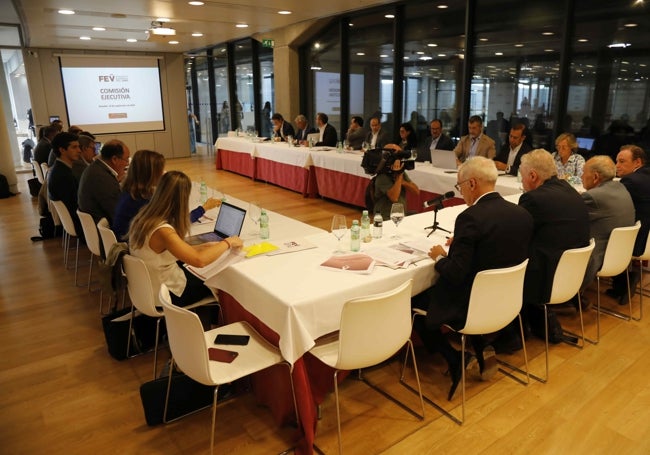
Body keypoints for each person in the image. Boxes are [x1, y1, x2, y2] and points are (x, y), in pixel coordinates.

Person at [411, 156, 533, 400]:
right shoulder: (521, 213)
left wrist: (439, 256)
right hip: (505, 301)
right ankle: (480, 346)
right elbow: (495, 248)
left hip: (471, 304)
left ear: (473, 184)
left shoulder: (470, 218)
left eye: (460, 186)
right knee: (469, 289)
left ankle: (455, 358)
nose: (461, 192)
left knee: (413, 299)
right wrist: (462, 245)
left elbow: (455, 273)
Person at [128, 170, 242, 312]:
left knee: (203, 268)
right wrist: (227, 242)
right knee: (218, 277)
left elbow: (172, 250)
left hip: (147, 288)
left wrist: (204, 246)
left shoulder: (144, 217)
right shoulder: (163, 231)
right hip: (167, 293)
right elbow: (199, 261)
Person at [517, 149, 590, 343]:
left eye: (522, 177)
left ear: (533, 176)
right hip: (572, 276)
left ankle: (508, 333)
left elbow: (514, 234)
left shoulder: (533, 199)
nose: (522, 183)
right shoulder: (571, 191)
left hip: (545, 278)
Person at [112, 150, 221, 240]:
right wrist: (204, 208)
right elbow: (175, 224)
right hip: (133, 248)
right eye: (160, 169)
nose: (164, 172)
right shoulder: (141, 201)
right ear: (151, 173)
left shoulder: (130, 191)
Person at [580, 156, 635, 297]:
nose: (581, 176)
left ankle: (567, 296)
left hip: (598, 258)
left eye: (583, 172)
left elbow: (570, 216)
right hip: (620, 257)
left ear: (596, 177)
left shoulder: (593, 197)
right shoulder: (621, 187)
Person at [608, 145, 650, 303]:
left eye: (622, 161)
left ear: (637, 162)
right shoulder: (645, 176)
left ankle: (626, 278)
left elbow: (612, 206)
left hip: (637, 239)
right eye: (616, 161)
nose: (616, 165)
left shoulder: (631, 181)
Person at [77, 140, 130, 225]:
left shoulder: (95, 168)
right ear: (114, 159)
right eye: (126, 159)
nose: (127, 164)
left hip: (95, 224)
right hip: (105, 231)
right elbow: (119, 214)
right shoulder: (101, 179)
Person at [47, 132, 83, 237]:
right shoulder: (62, 175)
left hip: (73, 222)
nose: (79, 150)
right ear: (62, 150)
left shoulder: (60, 169)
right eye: (74, 147)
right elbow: (75, 204)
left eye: (79, 147)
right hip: (81, 225)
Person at [373, 152, 420, 220]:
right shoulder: (382, 177)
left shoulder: (401, 173)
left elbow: (416, 191)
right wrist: (399, 176)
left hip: (401, 214)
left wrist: (403, 182)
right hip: (386, 216)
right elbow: (394, 198)